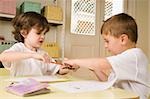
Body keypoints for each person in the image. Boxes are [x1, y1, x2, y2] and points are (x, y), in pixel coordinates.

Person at [63, 13, 150, 99]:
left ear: (123, 39)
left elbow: (101, 63)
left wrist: (74, 61)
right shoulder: (123, 60)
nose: (105, 45)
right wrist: (95, 69)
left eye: (107, 41)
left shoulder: (135, 55)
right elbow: (110, 83)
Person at [1, 11, 72, 76]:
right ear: (24, 33)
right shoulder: (19, 48)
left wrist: (68, 67)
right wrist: (32, 55)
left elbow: (58, 70)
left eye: (44, 33)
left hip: (38, 88)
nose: (43, 36)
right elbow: (3, 57)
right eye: (38, 33)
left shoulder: (43, 54)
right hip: (19, 88)